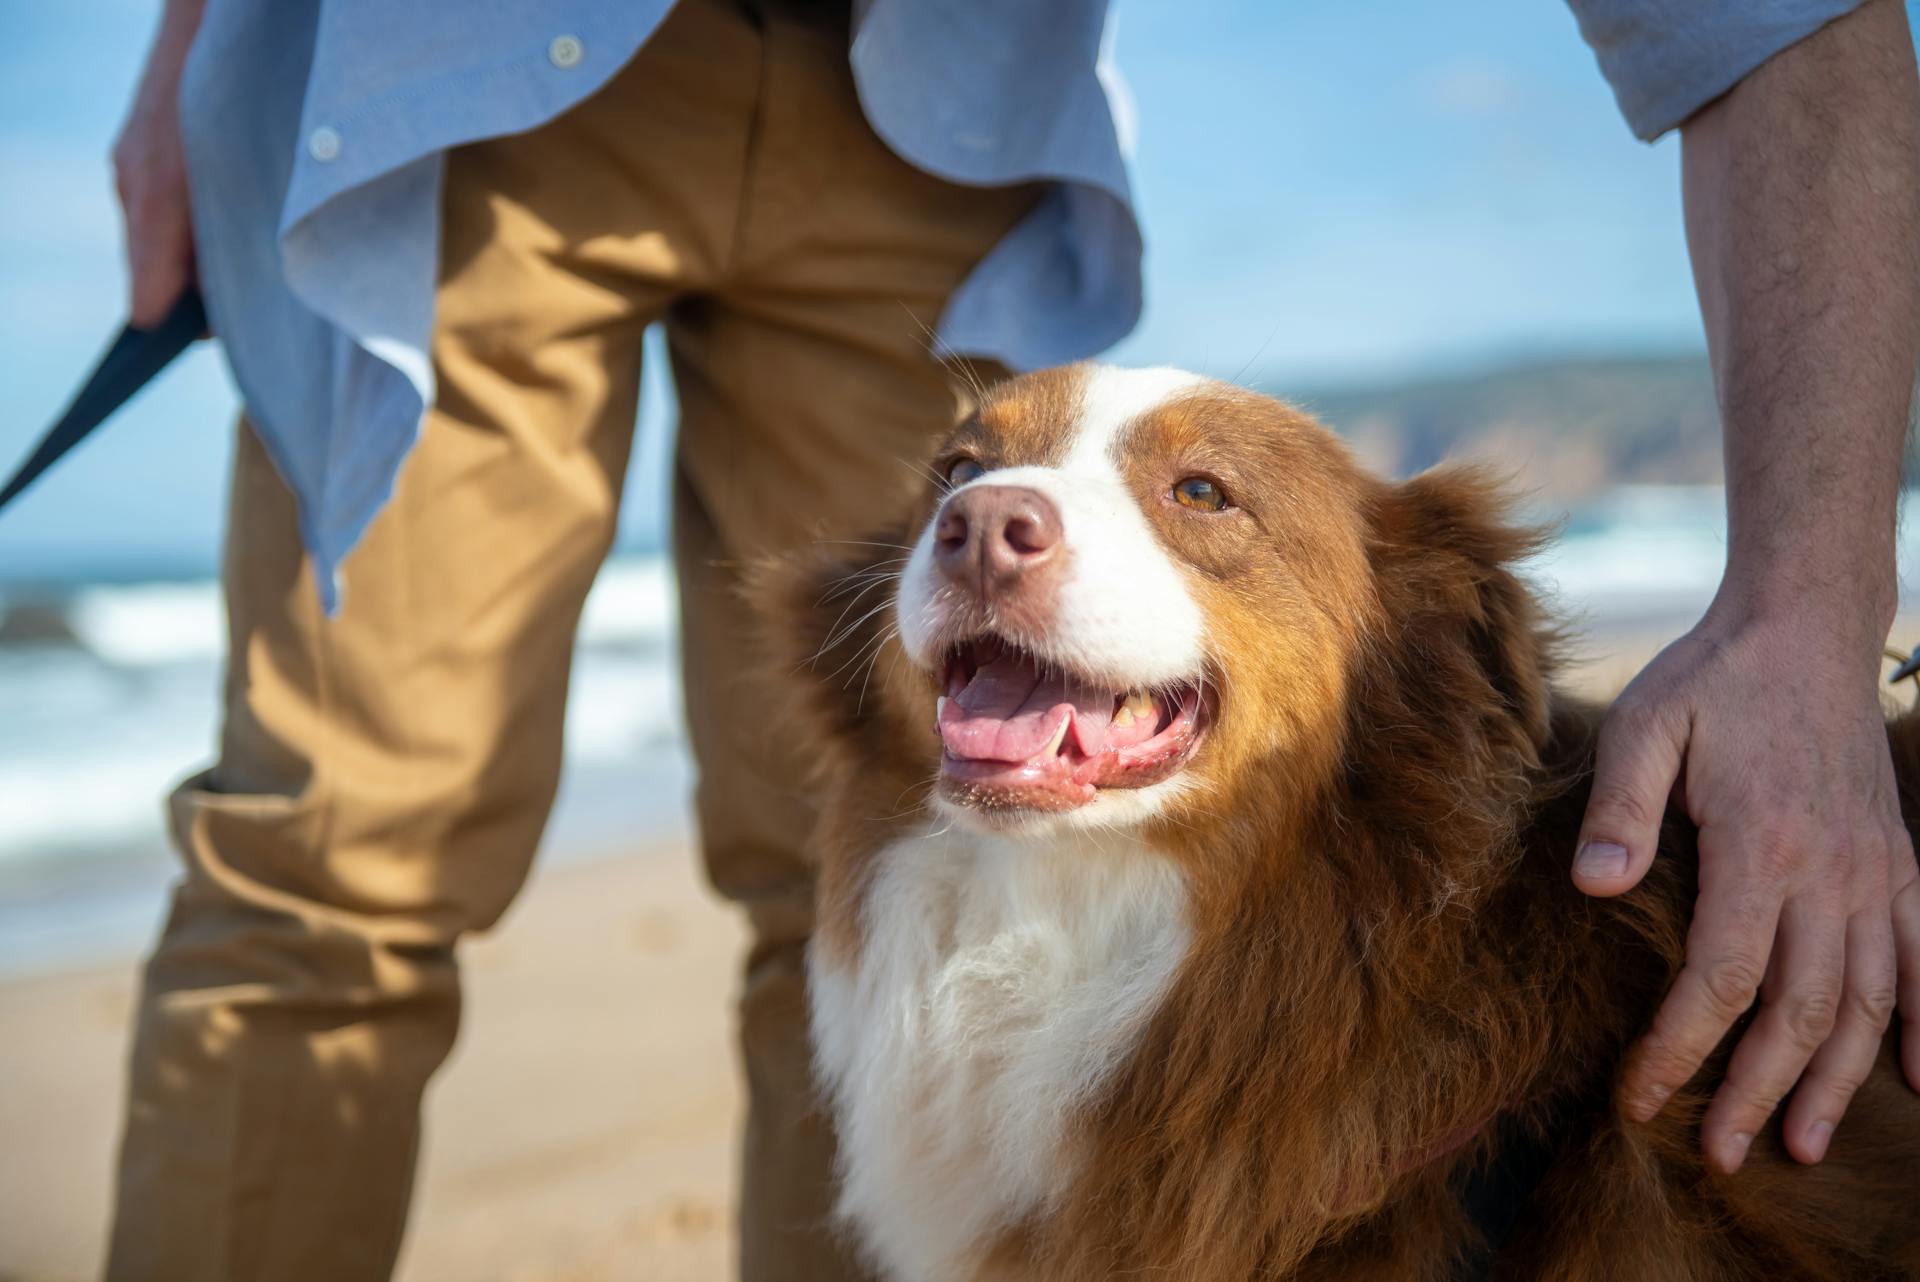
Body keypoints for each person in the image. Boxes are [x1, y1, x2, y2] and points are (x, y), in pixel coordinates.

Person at [105, 0, 1920, 1277]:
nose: (992, 518)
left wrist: (1811, 619)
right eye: (968, 484)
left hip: (933, 93)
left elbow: (1765, 21)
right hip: (432, 68)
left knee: (774, 901)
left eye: (1195, 496)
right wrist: (191, 50)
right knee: (329, 862)